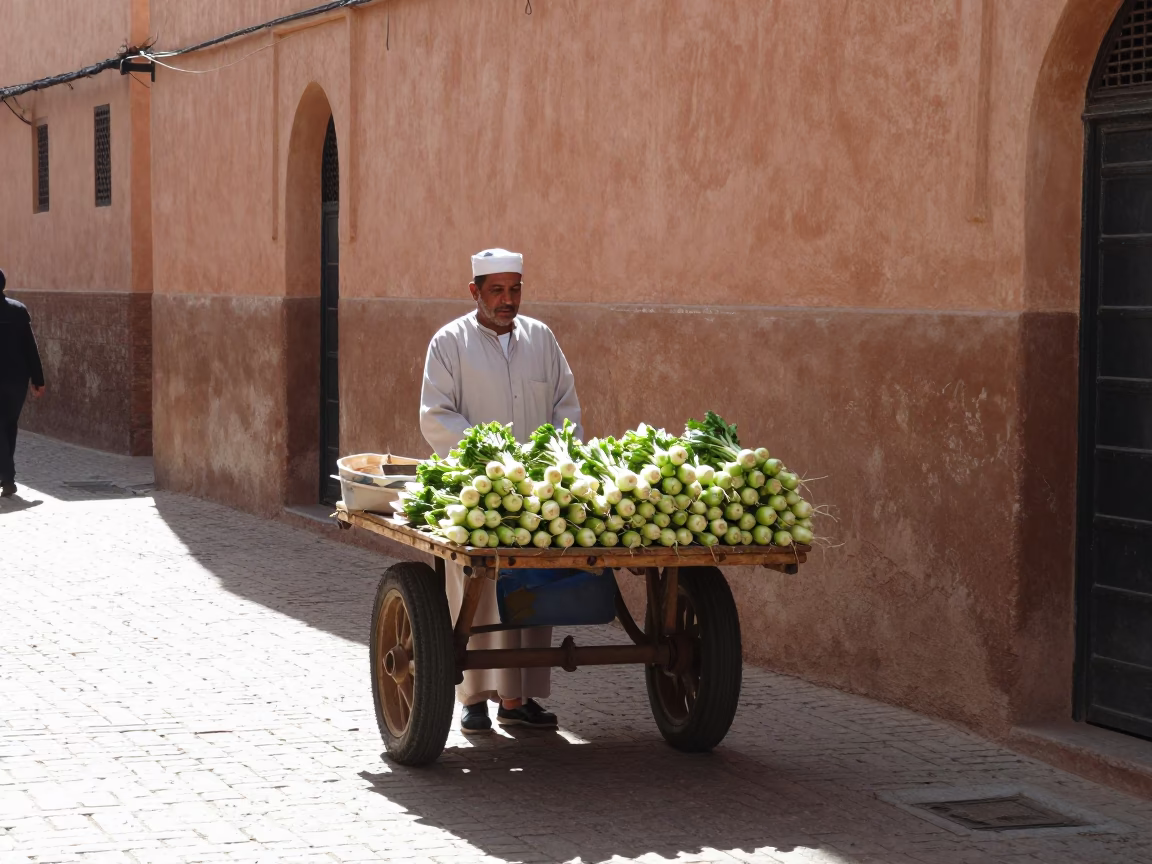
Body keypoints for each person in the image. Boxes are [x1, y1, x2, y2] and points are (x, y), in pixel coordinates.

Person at [420, 248, 582, 732]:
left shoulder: (542, 339)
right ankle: (473, 697)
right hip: (477, 495)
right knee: (478, 593)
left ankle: (518, 699)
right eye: (496, 291)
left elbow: (565, 405)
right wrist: (485, 460)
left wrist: (555, 457)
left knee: (531, 592)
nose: (507, 300)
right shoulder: (448, 343)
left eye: (514, 290)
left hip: (535, 494)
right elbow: (436, 414)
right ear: (475, 292)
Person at [0, 269, 45, 498]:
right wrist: (38, 379)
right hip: (16, 380)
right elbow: (30, 347)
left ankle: (7, 476)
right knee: (8, 425)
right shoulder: (18, 310)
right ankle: (6, 476)